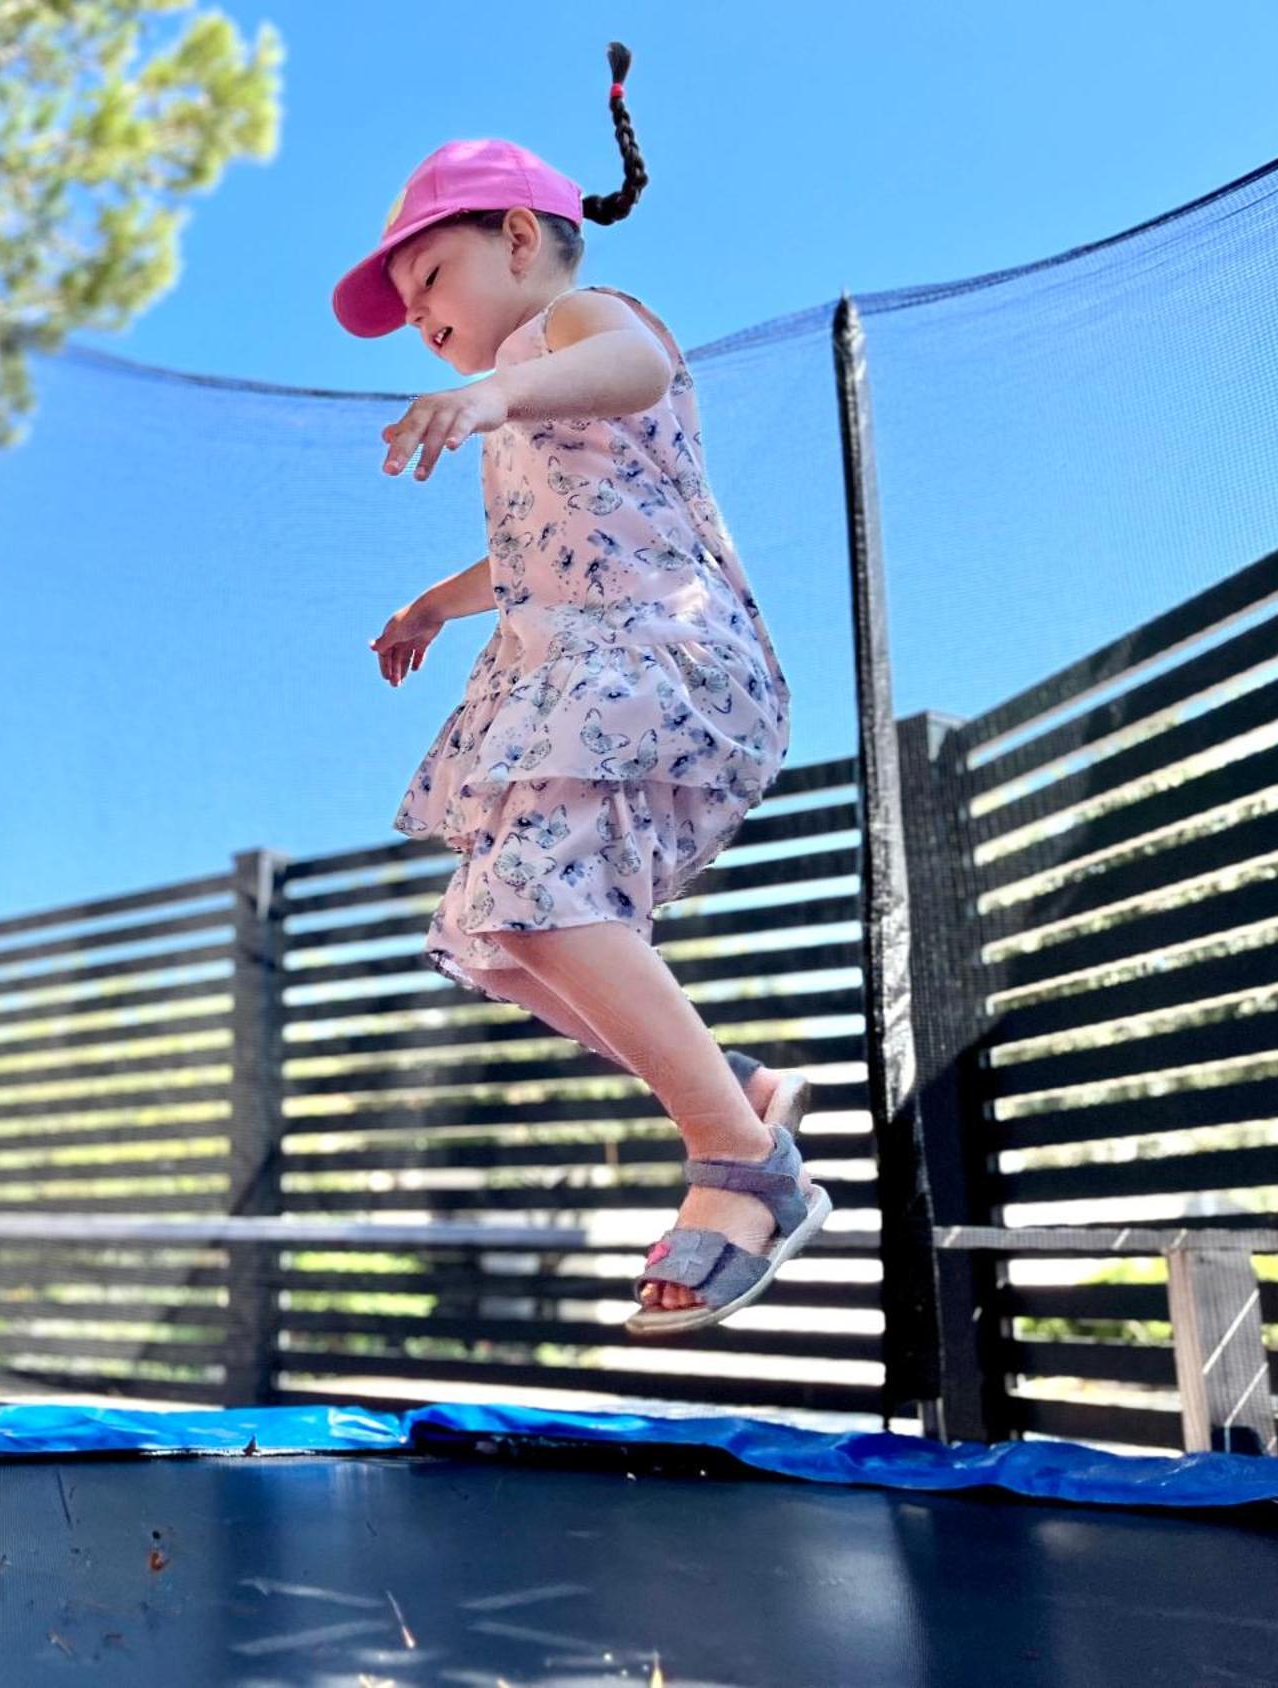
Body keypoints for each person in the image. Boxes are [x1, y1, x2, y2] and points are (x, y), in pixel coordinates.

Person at [335, 47, 826, 1335]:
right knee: (499, 928)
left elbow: (635, 372)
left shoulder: (580, 321)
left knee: (547, 900)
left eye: (428, 280)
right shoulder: (522, 403)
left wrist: (495, 386)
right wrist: (434, 607)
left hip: (669, 660)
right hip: (588, 660)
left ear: (517, 235)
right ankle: (736, 1087)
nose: (423, 319)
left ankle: (741, 1161)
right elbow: (533, 555)